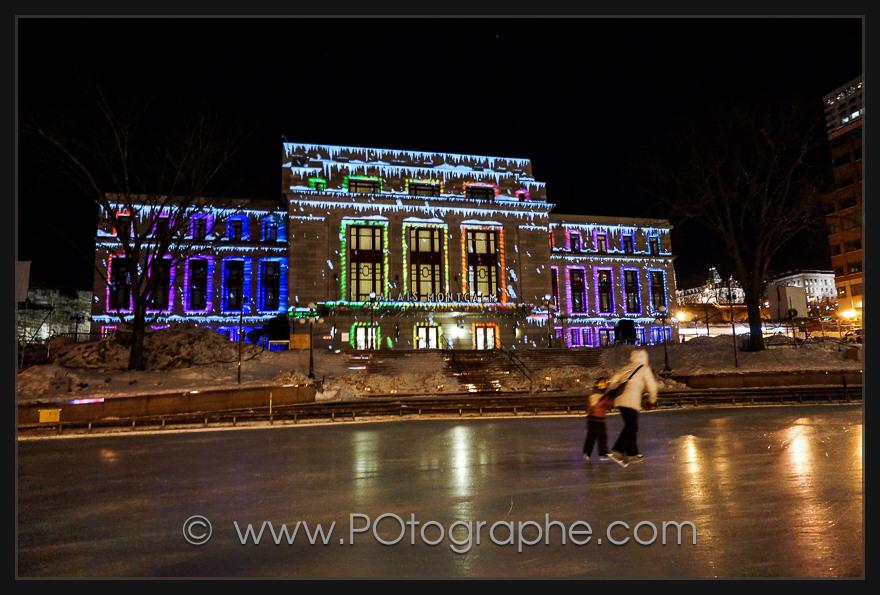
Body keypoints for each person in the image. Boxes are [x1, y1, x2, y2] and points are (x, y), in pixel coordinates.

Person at [605, 349, 658, 467]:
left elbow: (613, 381)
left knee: (631, 426)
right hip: (632, 400)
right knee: (631, 426)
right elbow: (652, 388)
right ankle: (617, 450)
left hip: (620, 400)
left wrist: (616, 388)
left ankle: (632, 453)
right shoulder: (644, 368)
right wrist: (651, 401)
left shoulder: (627, 367)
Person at [583, 377, 613, 462]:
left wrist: (589, 410)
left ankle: (587, 453)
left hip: (591, 419)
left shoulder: (591, 394)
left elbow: (588, 405)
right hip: (600, 420)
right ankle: (603, 454)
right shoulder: (604, 396)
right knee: (602, 437)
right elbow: (610, 404)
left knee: (591, 437)